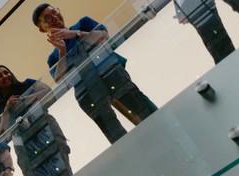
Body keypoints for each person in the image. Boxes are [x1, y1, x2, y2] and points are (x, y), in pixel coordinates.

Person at [32, 3, 157, 143]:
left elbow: (104, 37)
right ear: (42, 29)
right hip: (89, 95)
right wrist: (62, 51)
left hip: (113, 76)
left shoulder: (83, 23)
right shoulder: (54, 57)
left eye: (54, 12)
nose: (55, 17)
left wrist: (76, 34)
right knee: (115, 133)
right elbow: (61, 81)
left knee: (143, 110)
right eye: (47, 18)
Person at [0, 65, 73, 176]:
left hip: (46, 130)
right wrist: (7, 109)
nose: (4, 76)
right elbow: (3, 135)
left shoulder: (27, 84)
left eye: (6, 72)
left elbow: (49, 93)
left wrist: (24, 100)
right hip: (25, 146)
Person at [174, 0, 239, 63]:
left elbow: (181, 19)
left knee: (216, 50)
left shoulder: (178, 2)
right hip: (210, 14)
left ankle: (230, 65)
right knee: (225, 44)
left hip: (200, 23)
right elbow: (181, 19)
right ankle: (234, 63)